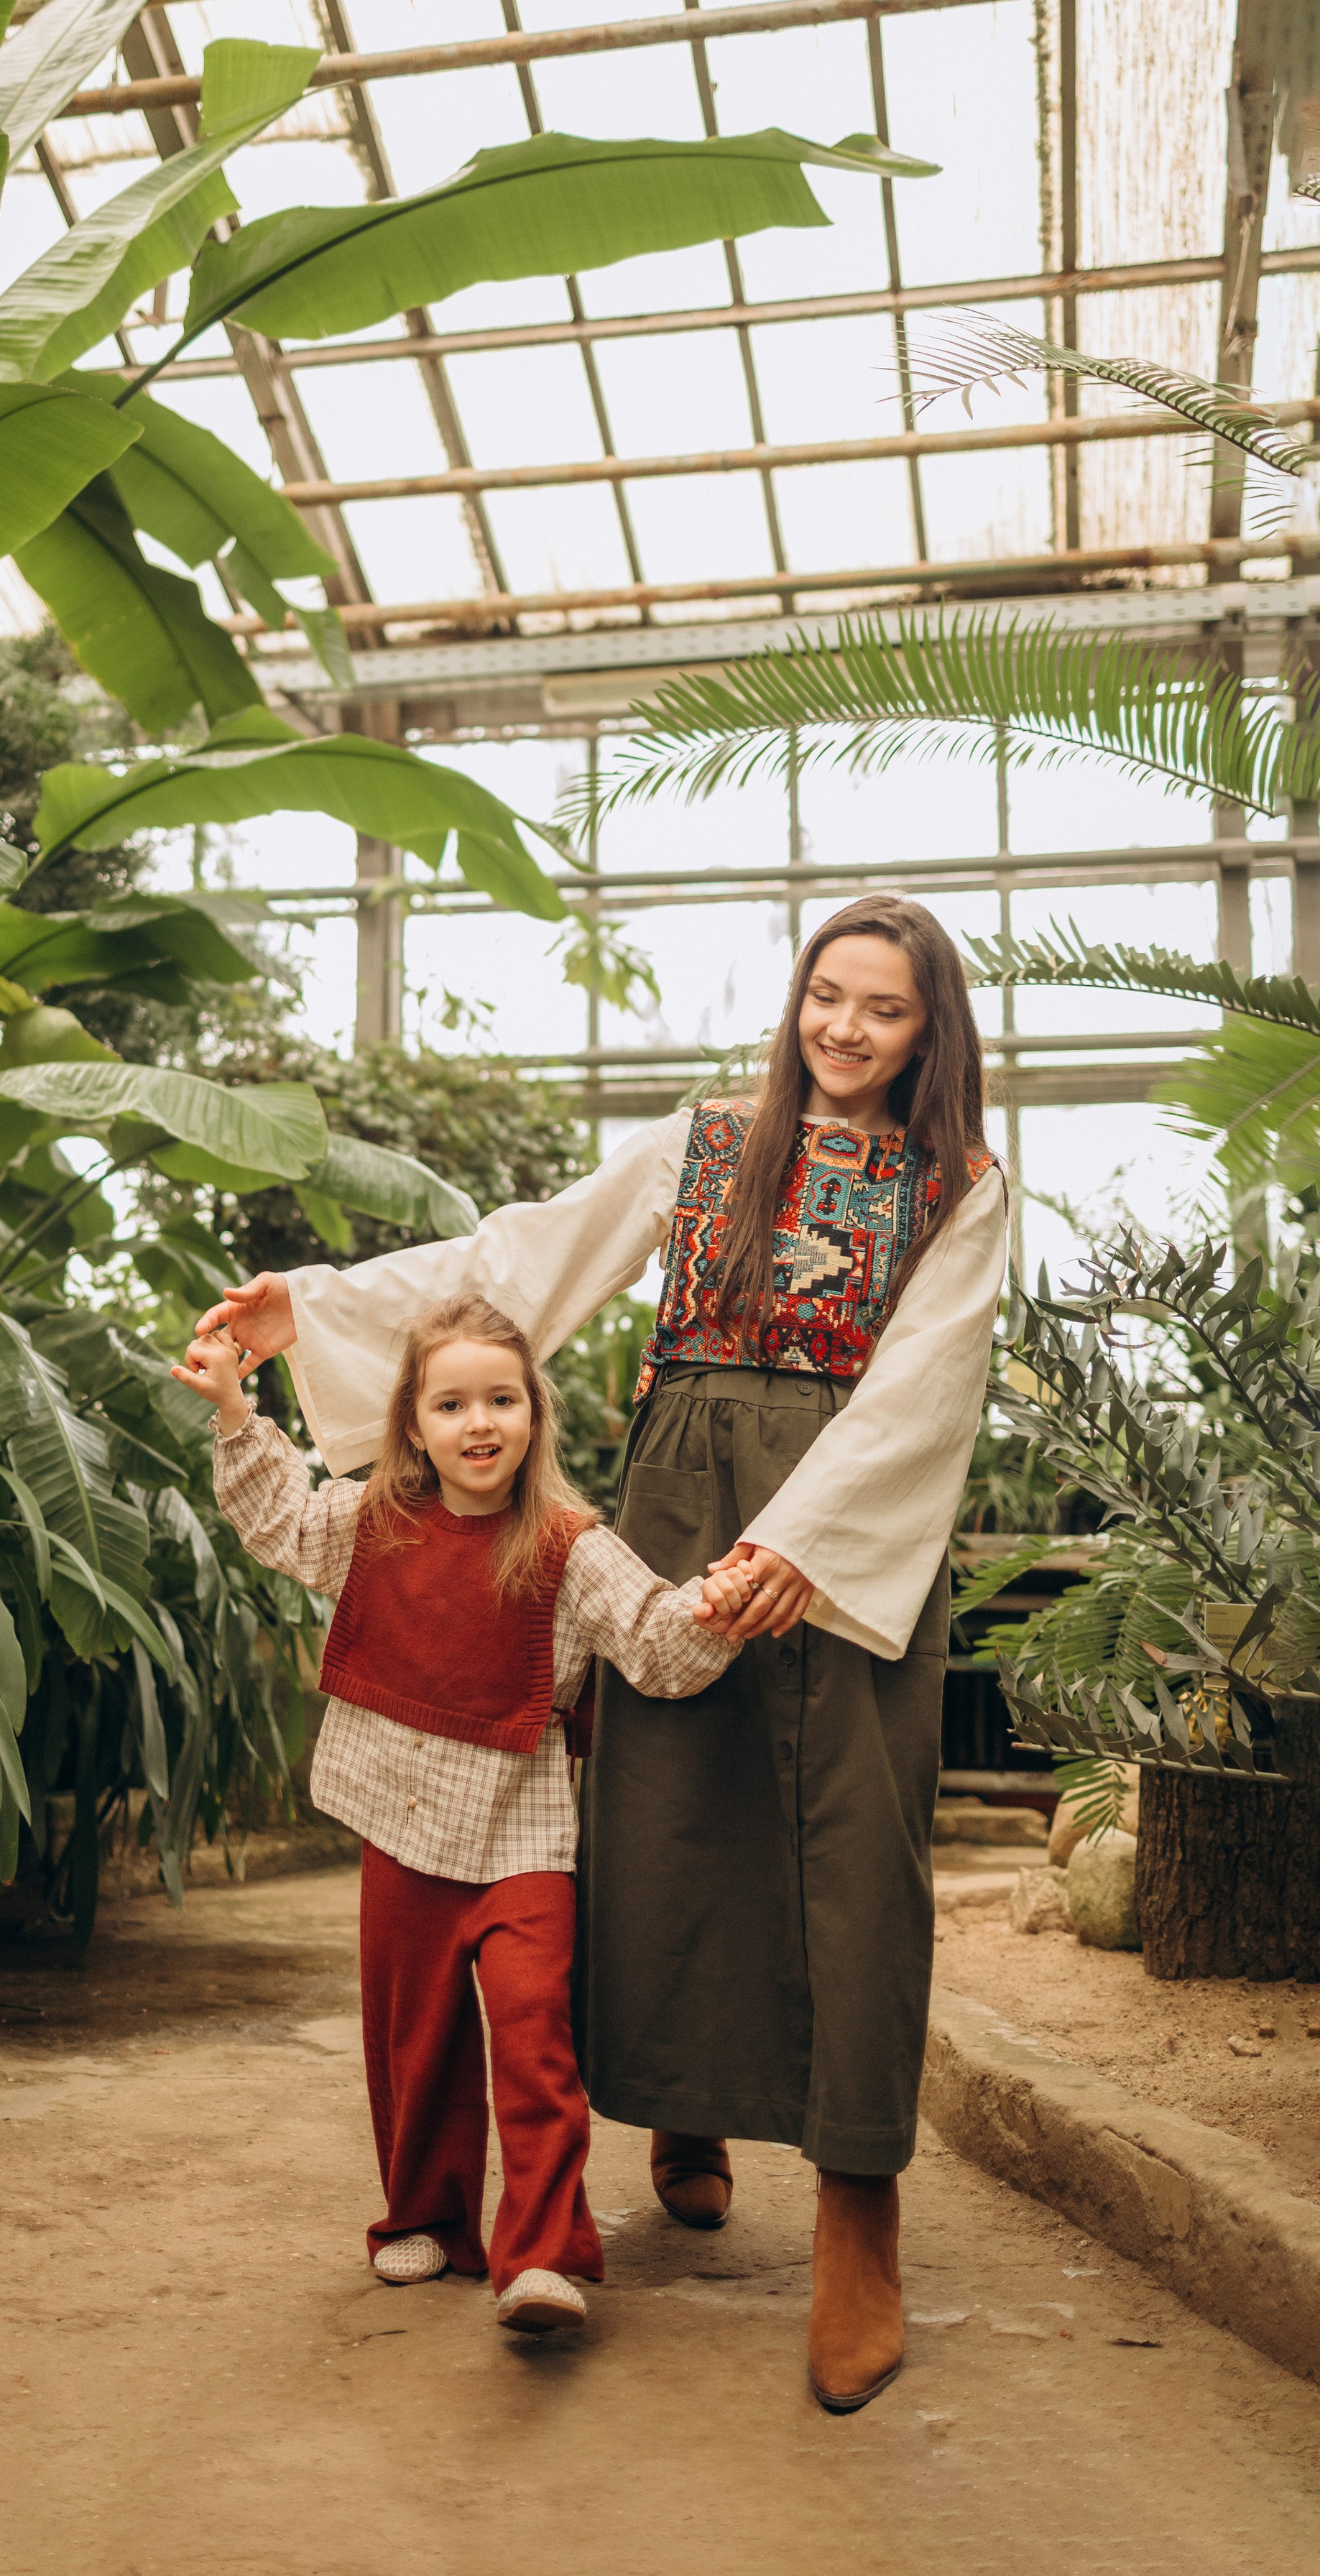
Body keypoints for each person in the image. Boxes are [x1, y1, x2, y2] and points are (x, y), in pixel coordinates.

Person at [190, 894, 1008, 2412]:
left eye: (878, 1009)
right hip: (680, 1491)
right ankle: (681, 2110)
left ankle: (856, 2206)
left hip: (843, 1518)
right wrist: (308, 1305)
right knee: (657, 1820)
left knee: (855, 1845)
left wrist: (806, 1537)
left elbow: (929, 1377)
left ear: (925, 1028)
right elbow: (526, 1259)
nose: (840, 1028)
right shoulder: (704, 1137)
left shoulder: (958, 1180)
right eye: (823, 995)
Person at [174, 1293, 754, 2335]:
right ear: (412, 1424)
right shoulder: (369, 1520)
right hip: (399, 1826)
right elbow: (279, 1522)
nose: (478, 1422)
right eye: (451, 1404)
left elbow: (656, 1642)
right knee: (416, 2042)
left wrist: (717, 1603)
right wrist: (234, 1413)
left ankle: (540, 2255)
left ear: (534, 1413)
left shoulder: (574, 1547)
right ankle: (429, 2218)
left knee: (535, 2038)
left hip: (524, 1839)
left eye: (501, 1398)